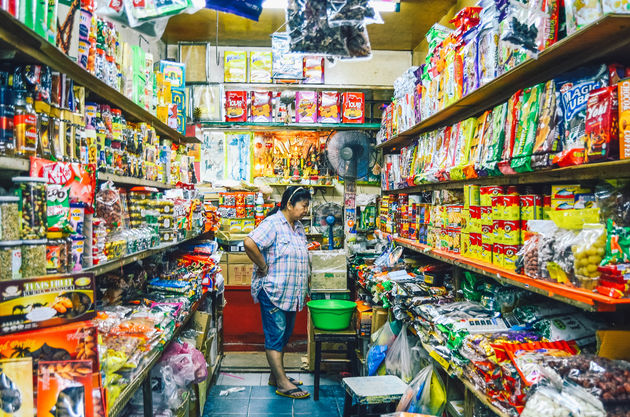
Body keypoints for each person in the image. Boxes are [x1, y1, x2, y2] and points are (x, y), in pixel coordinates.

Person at [243, 186, 312, 399]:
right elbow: (249, 242)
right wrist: (263, 266)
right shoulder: (272, 224)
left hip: (291, 293)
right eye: (303, 205)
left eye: (307, 205)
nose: (306, 210)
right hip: (274, 290)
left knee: (285, 333)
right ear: (289, 204)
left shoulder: (298, 227)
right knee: (275, 335)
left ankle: (276, 375)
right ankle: (282, 383)